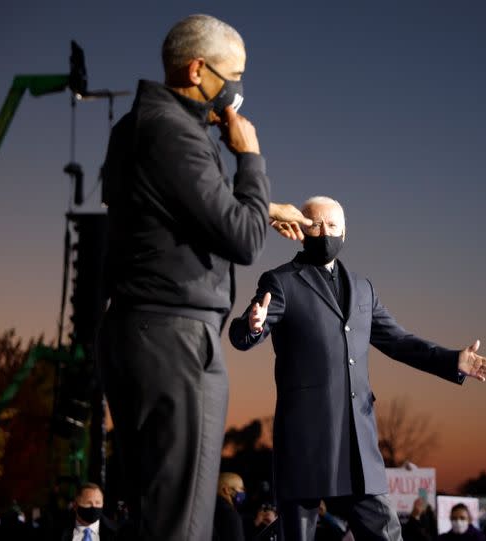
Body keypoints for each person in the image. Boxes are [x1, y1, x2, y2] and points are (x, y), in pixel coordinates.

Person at [97, 13, 309, 541]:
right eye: (233, 74)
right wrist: (250, 159)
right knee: (184, 521)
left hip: (139, 332)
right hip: (177, 338)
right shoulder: (174, 134)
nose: (238, 89)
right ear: (197, 71)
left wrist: (265, 205)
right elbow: (242, 238)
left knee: (156, 513)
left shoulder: (136, 127)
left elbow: (187, 209)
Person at [229, 196, 486, 540]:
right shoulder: (282, 282)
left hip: (358, 440)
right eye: (316, 224)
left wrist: (452, 360)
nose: (324, 232)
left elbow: (399, 341)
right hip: (306, 440)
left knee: (385, 533)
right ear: (299, 227)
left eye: (332, 226)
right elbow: (242, 335)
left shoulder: (363, 288)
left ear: (344, 232)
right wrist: (254, 325)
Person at [213, 473, 246, 541]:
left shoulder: (212, 508)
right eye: (241, 488)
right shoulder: (231, 515)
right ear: (227, 490)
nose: (243, 492)